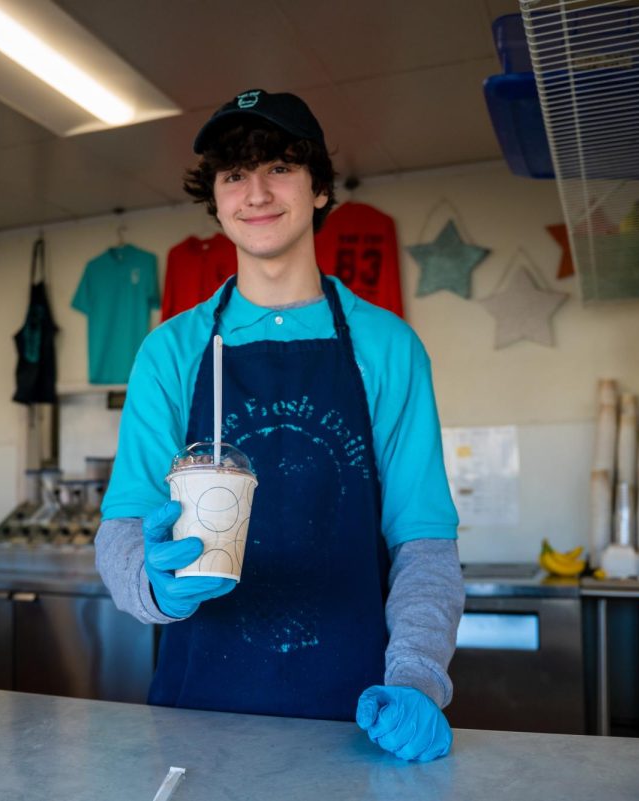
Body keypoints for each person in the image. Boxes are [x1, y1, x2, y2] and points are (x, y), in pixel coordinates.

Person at [95, 89, 464, 762]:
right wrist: (151, 582)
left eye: (280, 167)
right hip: (197, 710)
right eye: (235, 173)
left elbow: (424, 546)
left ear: (320, 186)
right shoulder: (171, 351)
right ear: (215, 197)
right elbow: (122, 530)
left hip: (359, 713)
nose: (256, 191)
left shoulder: (387, 347)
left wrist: (416, 677)